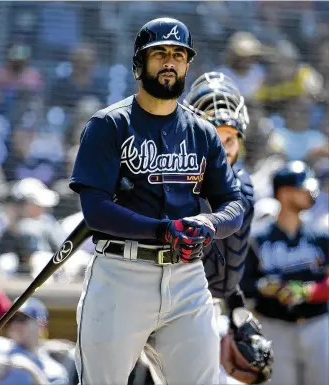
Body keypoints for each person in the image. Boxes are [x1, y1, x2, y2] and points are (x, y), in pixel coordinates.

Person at [69, 17, 244, 385]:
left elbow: (233, 204)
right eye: (160, 53)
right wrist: (163, 230)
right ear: (139, 64)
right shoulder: (108, 125)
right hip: (121, 274)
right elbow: (95, 209)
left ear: (187, 64)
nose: (170, 61)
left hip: (187, 279)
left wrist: (210, 224)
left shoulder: (203, 132)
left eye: (179, 54)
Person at [183, 72, 273, 384]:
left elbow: (228, 263)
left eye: (229, 140)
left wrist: (237, 313)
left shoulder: (244, 186)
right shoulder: (177, 186)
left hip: (212, 309)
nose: (223, 149)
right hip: (173, 309)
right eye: (213, 138)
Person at [241, 161, 329, 385]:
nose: (310, 193)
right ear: (284, 192)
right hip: (275, 326)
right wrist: (264, 286)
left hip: (317, 324)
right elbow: (242, 285)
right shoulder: (258, 240)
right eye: (303, 188)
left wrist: (309, 291)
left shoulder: (320, 235)